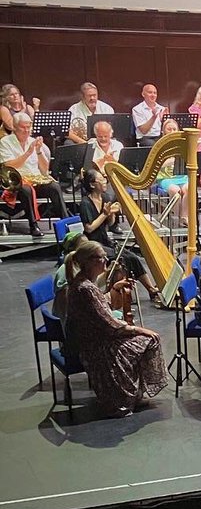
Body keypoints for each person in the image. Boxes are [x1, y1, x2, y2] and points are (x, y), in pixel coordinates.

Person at [61, 238, 167, 416]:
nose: (106, 260)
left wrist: (114, 289)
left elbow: (99, 306)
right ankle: (126, 397)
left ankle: (132, 393)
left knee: (142, 339)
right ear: (89, 262)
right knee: (150, 340)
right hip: (97, 346)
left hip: (97, 337)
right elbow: (109, 324)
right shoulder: (85, 288)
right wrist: (140, 329)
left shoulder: (84, 283)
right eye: (101, 257)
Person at [77, 168, 161, 300]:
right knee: (123, 259)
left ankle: (150, 289)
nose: (105, 182)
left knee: (133, 257)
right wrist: (105, 214)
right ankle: (117, 294)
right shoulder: (85, 203)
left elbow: (110, 224)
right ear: (92, 184)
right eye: (101, 180)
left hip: (105, 240)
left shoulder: (105, 198)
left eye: (104, 179)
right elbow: (89, 228)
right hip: (93, 244)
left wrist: (111, 214)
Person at [0, 113, 65, 227]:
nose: (26, 130)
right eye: (23, 127)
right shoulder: (5, 142)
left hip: (35, 180)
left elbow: (44, 170)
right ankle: (33, 224)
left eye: (28, 127)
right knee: (26, 190)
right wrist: (28, 153)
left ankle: (65, 221)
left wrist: (39, 151)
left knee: (54, 187)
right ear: (15, 127)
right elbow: (8, 166)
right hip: (16, 183)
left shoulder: (33, 141)